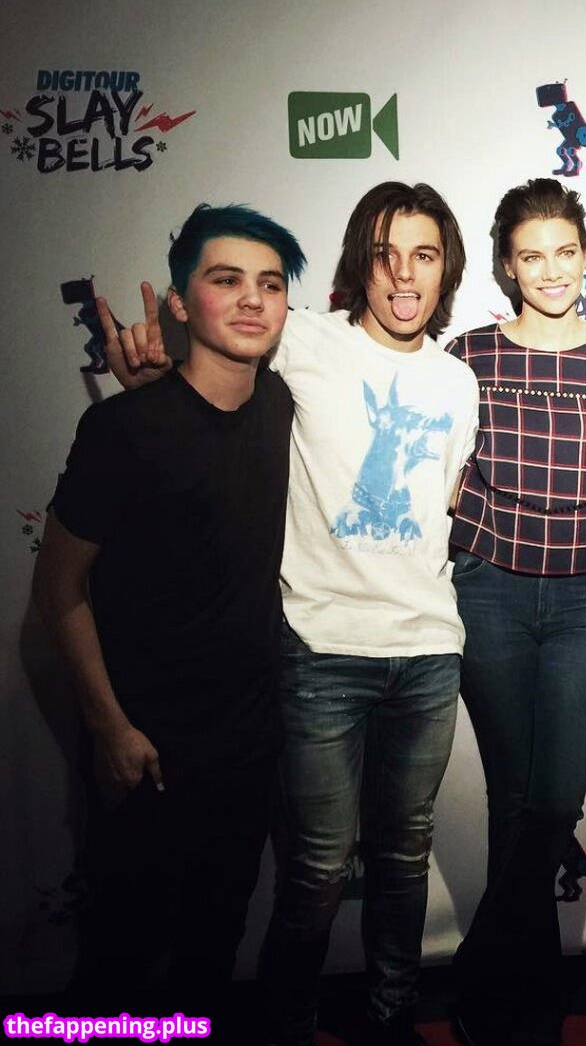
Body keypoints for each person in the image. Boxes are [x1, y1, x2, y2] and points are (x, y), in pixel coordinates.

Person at [104, 182, 480, 1046]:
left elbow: (446, 502)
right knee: (315, 867)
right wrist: (153, 379)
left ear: (445, 268)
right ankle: (288, 1024)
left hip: (428, 650)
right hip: (319, 648)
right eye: (384, 254)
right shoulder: (305, 338)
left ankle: (390, 1018)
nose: (403, 275)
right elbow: (215, 381)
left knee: (404, 855)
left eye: (423, 255)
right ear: (360, 264)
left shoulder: (459, 381)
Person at [34, 204, 306, 1030]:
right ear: (181, 302)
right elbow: (59, 588)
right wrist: (110, 727)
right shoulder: (122, 428)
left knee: (211, 954)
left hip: (250, 743)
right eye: (226, 279)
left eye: (270, 284)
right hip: (147, 750)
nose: (252, 299)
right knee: (117, 961)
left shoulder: (287, 407)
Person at [445, 177, 586, 1046]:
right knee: (513, 797)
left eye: (565, 252)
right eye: (533, 256)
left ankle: (482, 973)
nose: (552, 270)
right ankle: (527, 1001)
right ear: (507, 265)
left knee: (552, 801)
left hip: (582, 595)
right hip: (488, 586)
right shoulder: (468, 354)